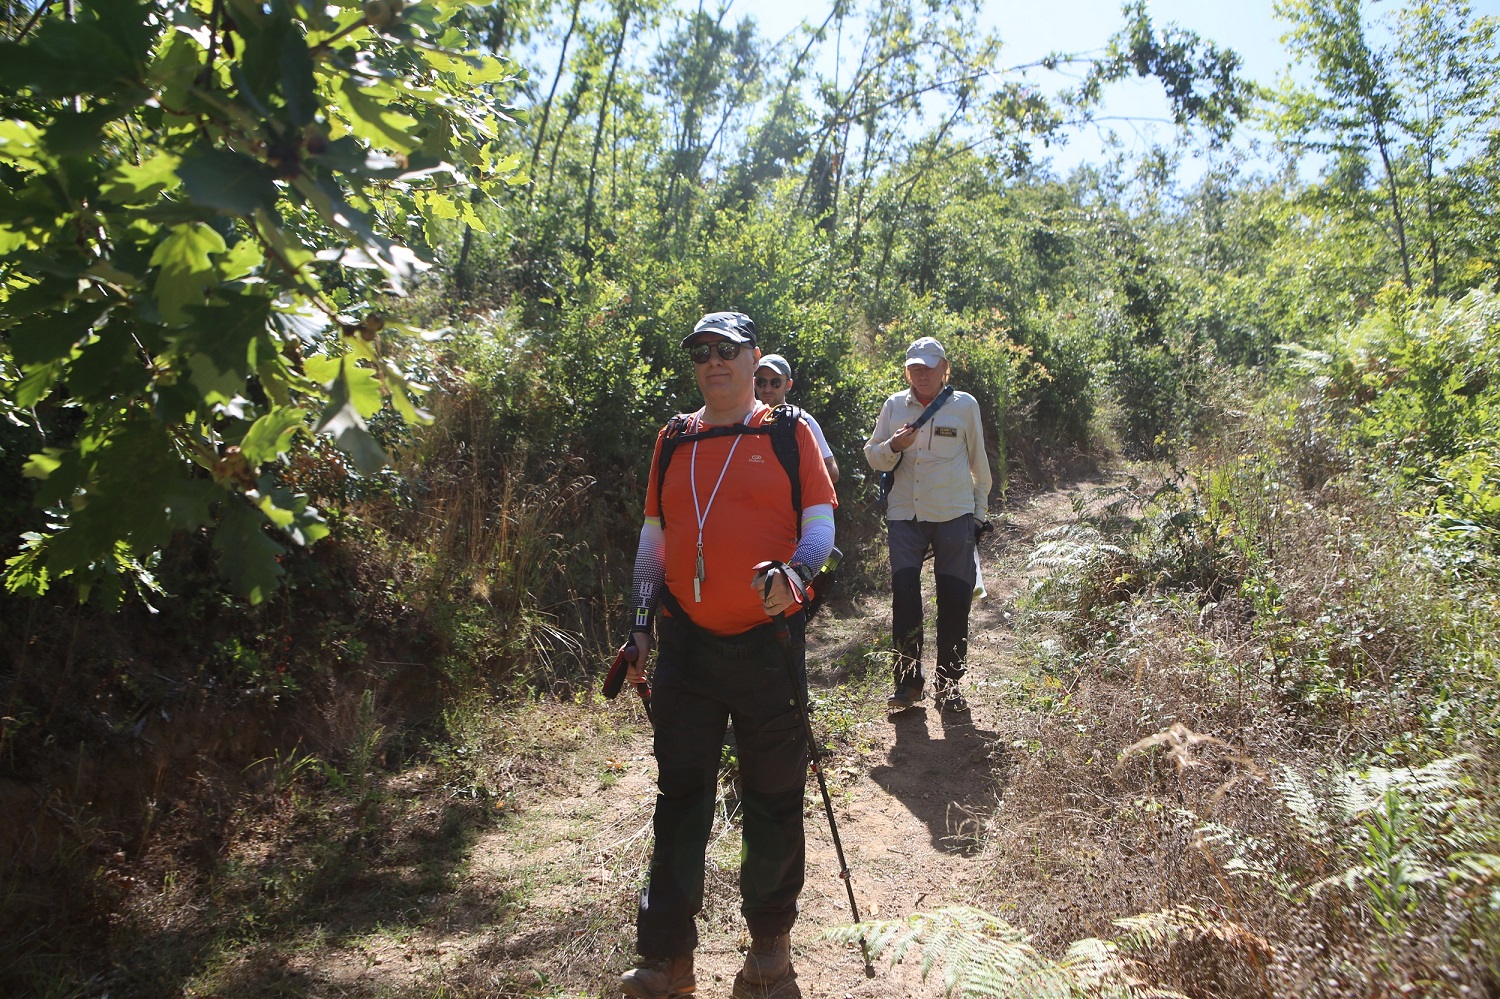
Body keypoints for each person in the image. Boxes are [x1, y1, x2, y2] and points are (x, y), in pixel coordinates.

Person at [617, 311, 838, 999]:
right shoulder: (675, 438)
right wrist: (641, 623)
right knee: (680, 796)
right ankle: (665, 961)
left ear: (754, 358)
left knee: (772, 795)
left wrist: (795, 574)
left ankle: (768, 953)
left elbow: (822, 527)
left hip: (768, 647)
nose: (714, 362)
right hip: (687, 646)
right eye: (702, 353)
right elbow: (653, 539)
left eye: (727, 351)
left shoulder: (787, 430)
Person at [863, 336, 991, 714]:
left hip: (954, 515)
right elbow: (873, 457)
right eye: (914, 367)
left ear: (944, 368)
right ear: (906, 371)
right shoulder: (893, 406)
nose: (921, 373)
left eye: (929, 366)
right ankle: (907, 682)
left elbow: (978, 465)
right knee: (905, 599)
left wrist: (979, 515)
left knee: (953, 601)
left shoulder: (964, 406)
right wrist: (894, 447)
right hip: (905, 515)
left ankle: (949, 684)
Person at [755, 352, 841, 484]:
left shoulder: (803, 420)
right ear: (754, 383)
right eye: (762, 382)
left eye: (775, 382)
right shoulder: (744, 419)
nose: (767, 389)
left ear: (788, 385)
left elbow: (832, 471)